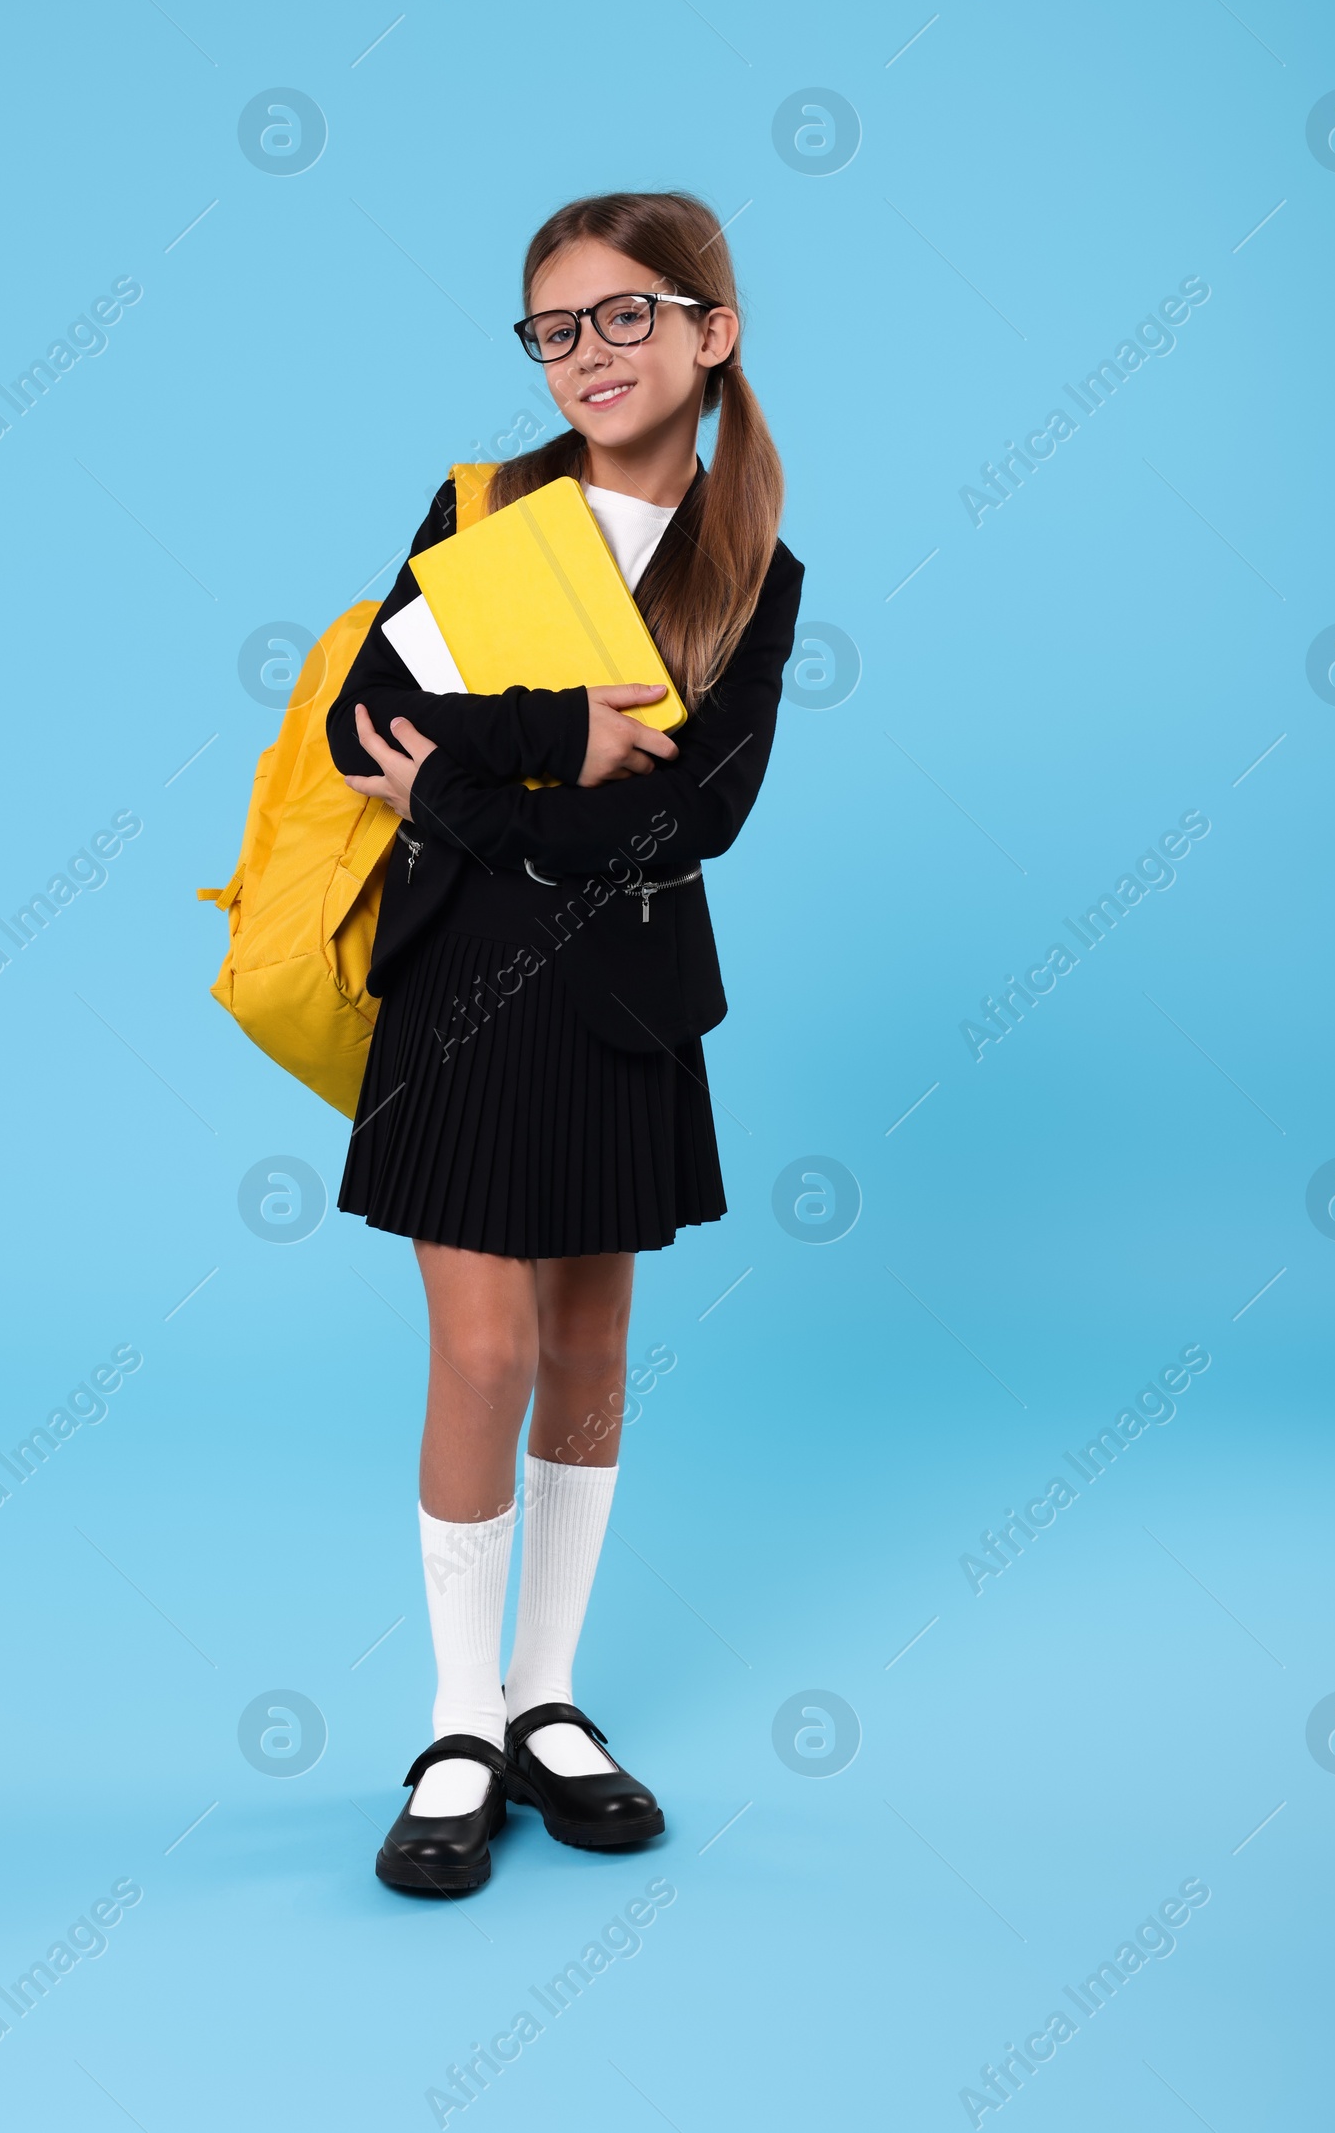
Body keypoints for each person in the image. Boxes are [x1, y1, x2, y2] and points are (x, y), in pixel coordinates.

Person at [326, 190, 803, 1894]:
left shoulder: (753, 570)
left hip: (625, 993)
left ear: (710, 334)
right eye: (554, 328)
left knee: (591, 1352)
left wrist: (463, 794)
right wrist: (551, 742)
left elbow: (697, 824)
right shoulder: (484, 512)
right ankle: (459, 1720)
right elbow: (352, 720)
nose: (586, 354)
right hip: (457, 987)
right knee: (482, 1353)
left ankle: (549, 1700)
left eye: (623, 316)